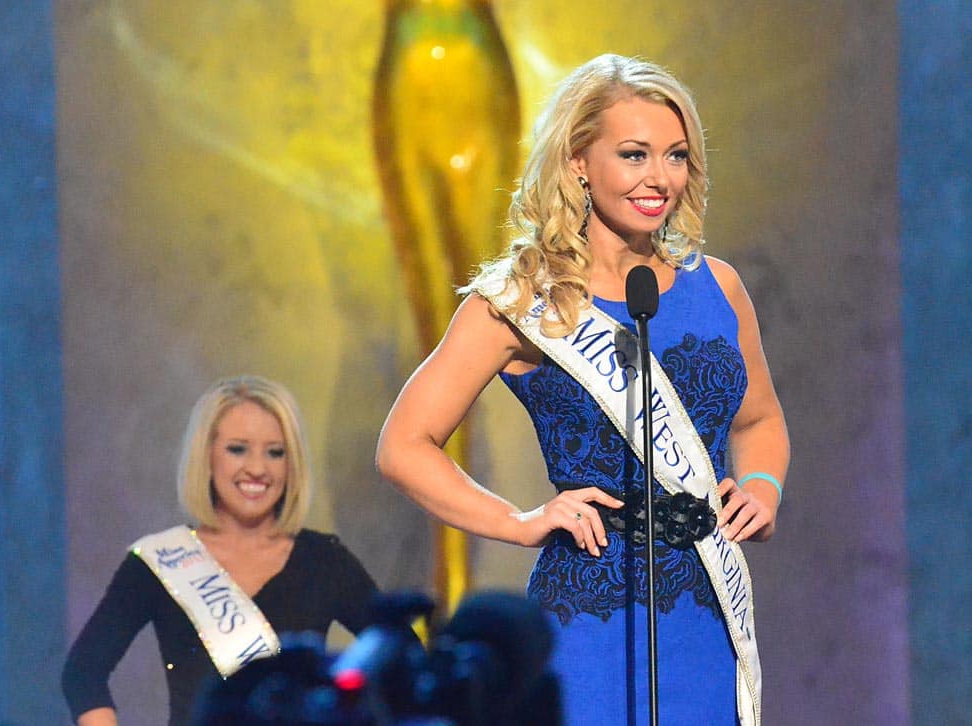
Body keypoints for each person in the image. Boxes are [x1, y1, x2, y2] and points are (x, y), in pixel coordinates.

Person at [376, 54, 789, 725]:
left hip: (706, 614)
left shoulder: (720, 286)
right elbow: (404, 446)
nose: (661, 178)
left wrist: (763, 489)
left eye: (677, 156)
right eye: (634, 155)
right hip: (588, 614)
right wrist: (516, 522)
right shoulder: (521, 300)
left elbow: (760, 420)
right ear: (577, 161)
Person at [62, 375, 378, 726]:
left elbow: (400, 658)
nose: (257, 468)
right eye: (238, 449)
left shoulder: (324, 561)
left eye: (275, 452)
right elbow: (83, 675)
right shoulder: (160, 561)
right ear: (207, 456)